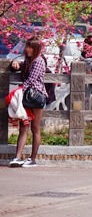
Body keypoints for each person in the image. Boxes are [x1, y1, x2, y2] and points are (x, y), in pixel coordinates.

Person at [9, 37, 47, 168]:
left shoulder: (39, 61)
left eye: (30, 47)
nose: (27, 49)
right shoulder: (28, 60)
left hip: (36, 97)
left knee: (35, 128)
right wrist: (14, 64)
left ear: (36, 49)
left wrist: (17, 92)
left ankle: (32, 158)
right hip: (26, 97)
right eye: (27, 46)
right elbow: (18, 68)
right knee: (23, 127)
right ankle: (17, 157)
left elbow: (31, 80)